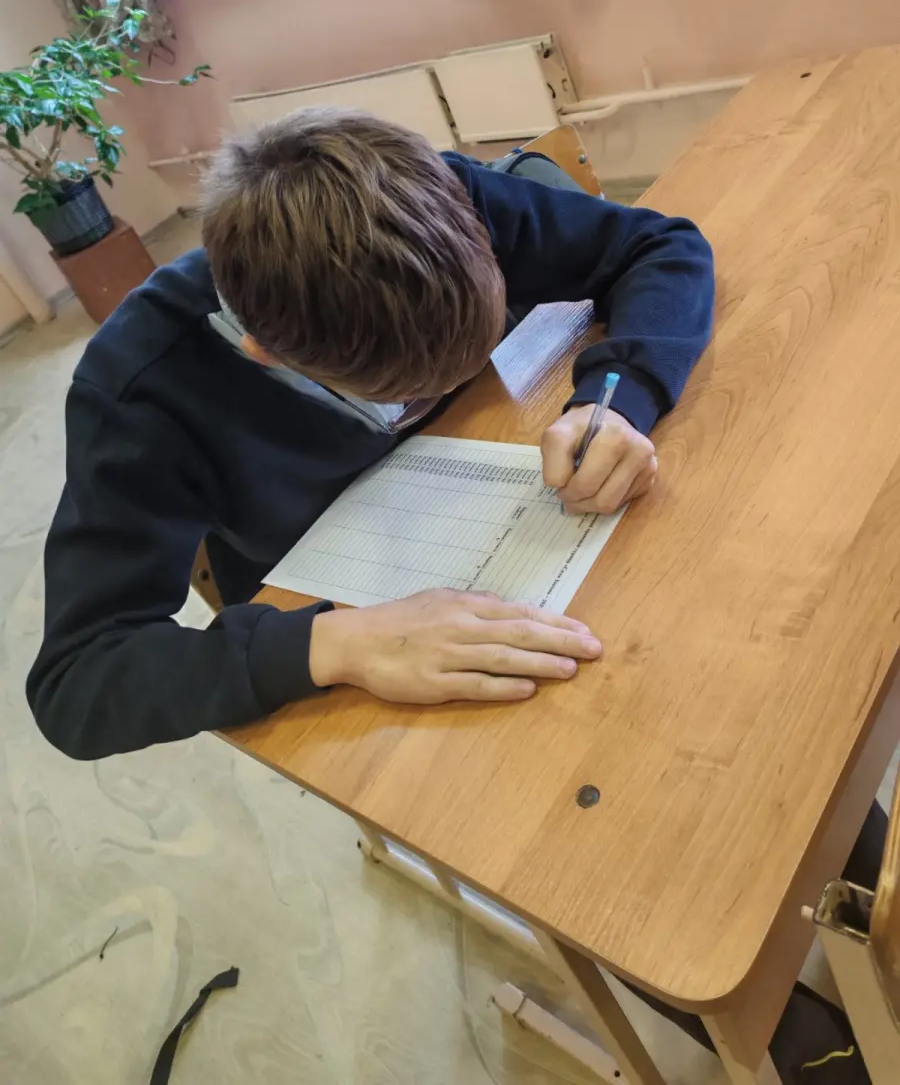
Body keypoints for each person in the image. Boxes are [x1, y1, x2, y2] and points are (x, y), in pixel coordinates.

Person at [27, 107, 715, 761]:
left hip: (481, 499)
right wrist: (336, 645)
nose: (421, 402)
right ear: (265, 352)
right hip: (340, 586)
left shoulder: (434, 203)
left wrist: (617, 397)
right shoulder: (140, 391)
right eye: (397, 394)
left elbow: (661, 246)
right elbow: (78, 679)